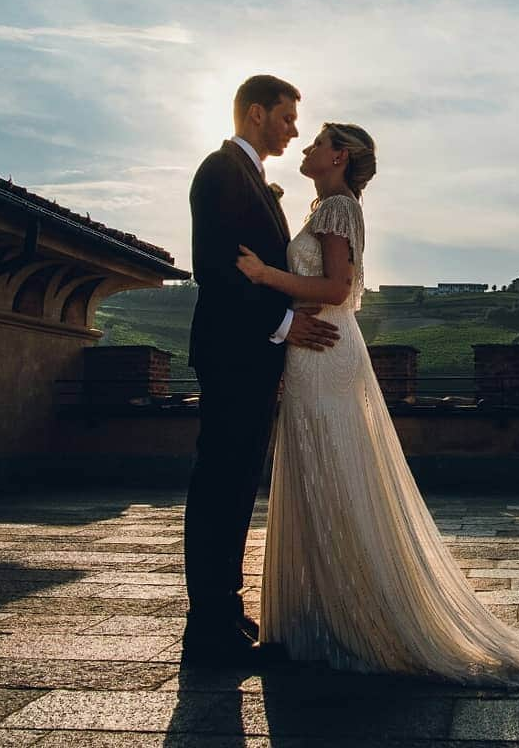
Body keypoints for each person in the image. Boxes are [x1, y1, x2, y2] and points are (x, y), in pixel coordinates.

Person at [235, 121, 519, 688]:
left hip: (326, 349)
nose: (305, 149)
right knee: (319, 472)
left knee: (332, 471)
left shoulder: (338, 209)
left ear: (340, 156)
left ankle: (351, 617)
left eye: (317, 143)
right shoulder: (326, 205)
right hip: (317, 349)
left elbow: (337, 290)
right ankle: (325, 613)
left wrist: (264, 275)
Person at [182, 75, 339, 666]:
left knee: (238, 483)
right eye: (286, 117)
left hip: (248, 354)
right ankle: (209, 631)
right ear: (255, 113)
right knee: (222, 484)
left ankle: (224, 613)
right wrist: (281, 326)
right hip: (233, 351)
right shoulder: (222, 172)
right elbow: (217, 270)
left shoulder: (249, 179)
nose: (295, 130)